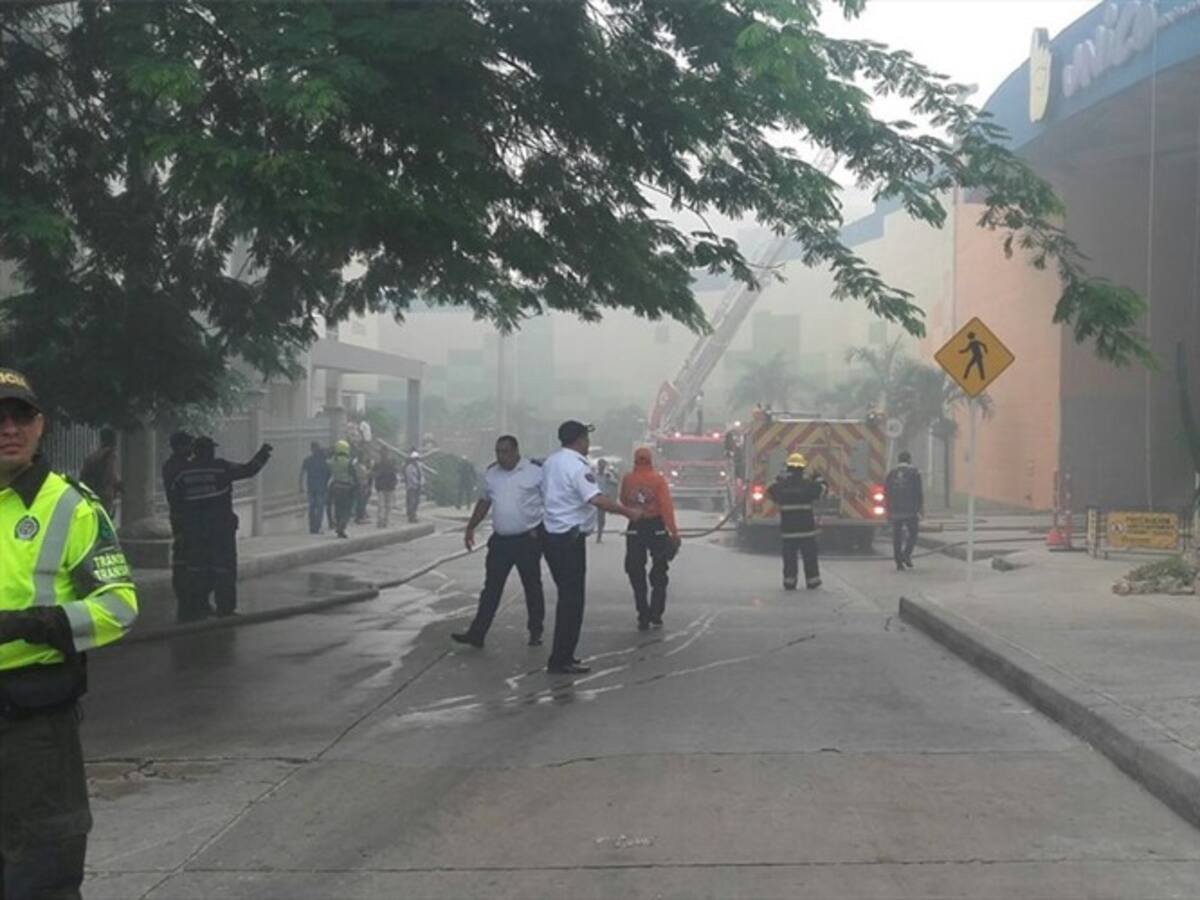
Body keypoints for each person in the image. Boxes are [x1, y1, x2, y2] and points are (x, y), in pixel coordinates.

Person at [0, 368, 137, 896]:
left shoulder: (71, 507)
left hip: (35, 728)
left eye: (21, 416)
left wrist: (35, 624)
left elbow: (119, 607)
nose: (9, 427)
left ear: (41, 426)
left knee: (41, 876)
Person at [541, 420, 641, 675]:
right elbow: (595, 499)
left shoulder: (552, 461)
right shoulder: (576, 466)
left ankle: (563, 656)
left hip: (552, 534)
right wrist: (628, 511)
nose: (588, 444)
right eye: (586, 438)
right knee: (572, 601)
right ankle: (561, 659)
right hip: (569, 539)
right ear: (579, 440)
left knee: (567, 597)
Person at [452, 435, 546, 648]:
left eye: (505, 452)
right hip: (501, 541)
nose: (501, 456)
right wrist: (470, 527)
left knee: (532, 586)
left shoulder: (535, 472)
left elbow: (550, 501)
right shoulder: (492, 474)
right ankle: (477, 633)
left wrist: (540, 530)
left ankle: (535, 630)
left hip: (527, 540)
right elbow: (484, 502)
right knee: (491, 588)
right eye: (498, 452)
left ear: (515, 451)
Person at [169, 436, 272, 620]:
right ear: (209, 451)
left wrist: (179, 531)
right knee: (224, 569)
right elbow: (249, 470)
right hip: (220, 530)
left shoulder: (184, 474)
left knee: (199, 569)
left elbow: (176, 504)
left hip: (195, 532)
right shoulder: (220, 468)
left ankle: (198, 607)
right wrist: (263, 454)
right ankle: (225, 609)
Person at [621, 447, 681, 630]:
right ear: (651, 460)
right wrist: (674, 532)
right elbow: (666, 507)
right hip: (656, 527)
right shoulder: (658, 480)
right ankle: (656, 613)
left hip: (635, 526)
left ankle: (643, 613)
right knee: (659, 570)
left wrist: (637, 509)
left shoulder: (628, 478)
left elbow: (623, 500)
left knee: (635, 570)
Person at [767, 452, 826, 591]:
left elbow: (769, 491)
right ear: (803, 468)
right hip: (806, 531)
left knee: (789, 559)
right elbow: (823, 490)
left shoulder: (781, 486)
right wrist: (819, 478)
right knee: (810, 557)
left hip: (788, 531)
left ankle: (789, 582)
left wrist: (779, 479)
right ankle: (813, 581)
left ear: (788, 468)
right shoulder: (808, 485)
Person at [161, 431, 195, 618]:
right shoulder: (180, 467)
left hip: (181, 516)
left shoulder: (171, 465)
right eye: (189, 445)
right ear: (181, 446)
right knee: (184, 559)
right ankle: (186, 600)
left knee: (186, 558)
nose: (191, 449)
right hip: (184, 517)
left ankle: (189, 600)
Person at [885, 450, 924, 571]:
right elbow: (918, 492)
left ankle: (898, 562)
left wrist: (888, 509)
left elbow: (886, 491)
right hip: (910, 510)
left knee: (897, 536)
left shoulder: (891, 473)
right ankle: (906, 554)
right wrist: (920, 508)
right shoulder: (914, 473)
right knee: (913, 533)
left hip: (895, 510)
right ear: (909, 460)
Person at [78, 427, 122, 518]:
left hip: (90, 494)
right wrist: (119, 486)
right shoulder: (110, 455)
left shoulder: (92, 457)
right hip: (104, 496)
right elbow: (111, 474)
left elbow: (82, 477)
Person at [327, 440, 358, 539]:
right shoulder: (349, 462)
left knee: (338, 508)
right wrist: (357, 485)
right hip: (347, 487)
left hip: (335, 486)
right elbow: (353, 475)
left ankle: (337, 525)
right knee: (347, 509)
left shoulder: (332, 461)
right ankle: (341, 526)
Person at [299, 441, 331, 535]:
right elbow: (329, 474)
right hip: (321, 488)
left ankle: (312, 527)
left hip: (311, 488)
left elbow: (302, 474)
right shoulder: (324, 461)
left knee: (312, 507)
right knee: (320, 508)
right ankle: (317, 527)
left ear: (311, 449)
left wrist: (300, 486)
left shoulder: (308, 460)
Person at [594, 458, 619, 543]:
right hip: (595, 498)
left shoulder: (607, 476)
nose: (601, 467)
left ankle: (599, 536)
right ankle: (597, 535)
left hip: (604, 498)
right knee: (598, 518)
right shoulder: (594, 476)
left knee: (601, 519)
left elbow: (615, 483)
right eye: (600, 465)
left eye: (603, 466)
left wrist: (612, 477)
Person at [373, 452, 399, 528]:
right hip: (387, 487)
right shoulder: (388, 464)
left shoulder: (378, 464)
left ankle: (381, 521)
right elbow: (395, 474)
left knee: (382, 505)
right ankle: (384, 521)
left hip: (383, 487)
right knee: (387, 505)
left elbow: (374, 474)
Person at [353, 449, 373, 524]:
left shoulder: (361, 465)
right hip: (361, 484)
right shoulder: (358, 465)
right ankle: (359, 517)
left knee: (362, 501)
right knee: (361, 501)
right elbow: (364, 474)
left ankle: (361, 516)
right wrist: (370, 470)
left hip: (364, 484)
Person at [403, 451, 423, 523]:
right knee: (412, 501)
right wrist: (417, 483)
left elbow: (421, 475)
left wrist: (422, 482)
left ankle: (414, 514)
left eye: (417, 459)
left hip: (418, 486)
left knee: (416, 502)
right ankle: (411, 516)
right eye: (415, 459)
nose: (416, 461)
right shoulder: (409, 467)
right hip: (412, 487)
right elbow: (411, 477)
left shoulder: (419, 466)